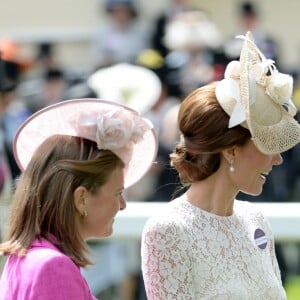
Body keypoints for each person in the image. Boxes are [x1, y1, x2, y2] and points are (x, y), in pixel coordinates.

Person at [141, 31, 300, 299]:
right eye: (266, 145)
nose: (277, 159)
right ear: (230, 150)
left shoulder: (256, 220)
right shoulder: (167, 230)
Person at [0, 98, 157, 299]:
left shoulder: (26, 256)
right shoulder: (53, 266)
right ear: (81, 198)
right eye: (118, 193)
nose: (123, 205)